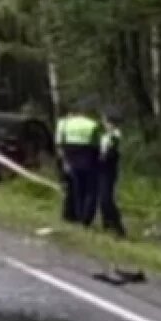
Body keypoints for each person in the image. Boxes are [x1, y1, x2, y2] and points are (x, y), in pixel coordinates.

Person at [55, 101, 102, 226]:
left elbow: (60, 143)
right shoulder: (93, 124)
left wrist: (64, 161)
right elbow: (98, 144)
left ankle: (78, 214)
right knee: (90, 190)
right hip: (89, 158)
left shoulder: (65, 123)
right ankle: (86, 219)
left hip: (71, 158)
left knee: (77, 189)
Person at [98, 107, 125, 237]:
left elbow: (111, 153)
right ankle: (107, 223)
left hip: (108, 170)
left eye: (105, 120)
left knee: (106, 198)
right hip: (102, 169)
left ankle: (117, 226)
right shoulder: (106, 136)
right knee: (103, 198)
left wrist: (102, 158)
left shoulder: (115, 136)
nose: (103, 123)